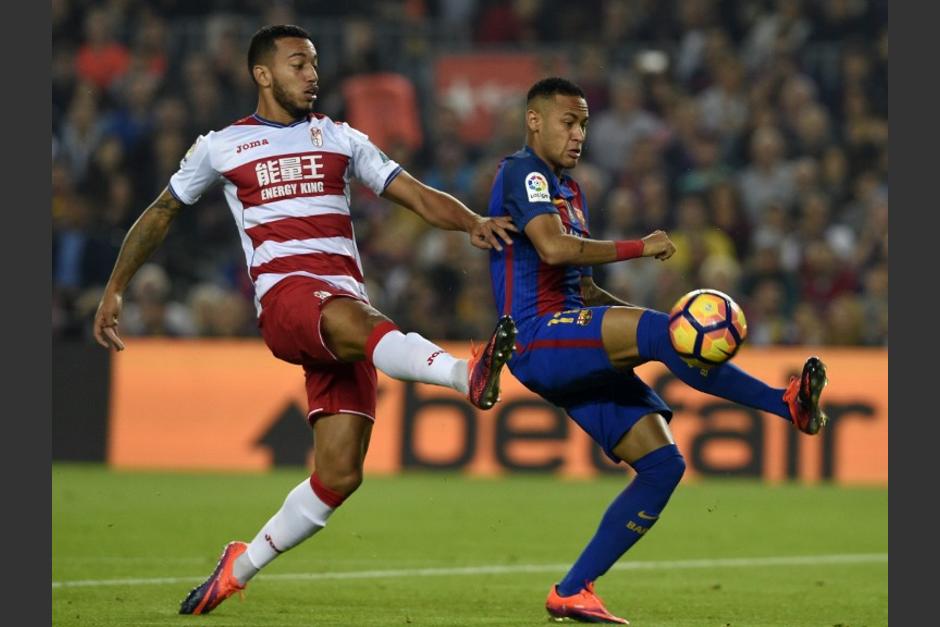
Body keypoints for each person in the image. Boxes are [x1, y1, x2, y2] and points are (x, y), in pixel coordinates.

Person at [92, 24, 519, 616]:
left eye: (315, 63)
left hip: (345, 314)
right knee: (357, 318)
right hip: (287, 300)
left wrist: (471, 221)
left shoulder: (341, 138)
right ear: (262, 74)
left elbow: (416, 194)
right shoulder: (221, 146)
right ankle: (461, 375)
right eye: (298, 64)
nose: (312, 74)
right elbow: (162, 212)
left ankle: (237, 567)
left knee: (340, 475)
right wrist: (115, 288)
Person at [486, 77, 828, 625]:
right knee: (657, 332)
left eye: (584, 125)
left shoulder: (571, 192)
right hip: (535, 335)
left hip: (567, 338)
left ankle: (572, 590)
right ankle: (784, 404)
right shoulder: (522, 172)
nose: (579, 135)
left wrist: (657, 331)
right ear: (534, 120)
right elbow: (552, 249)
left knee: (662, 466)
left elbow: (584, 290)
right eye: (568, 123)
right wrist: (640, 249)